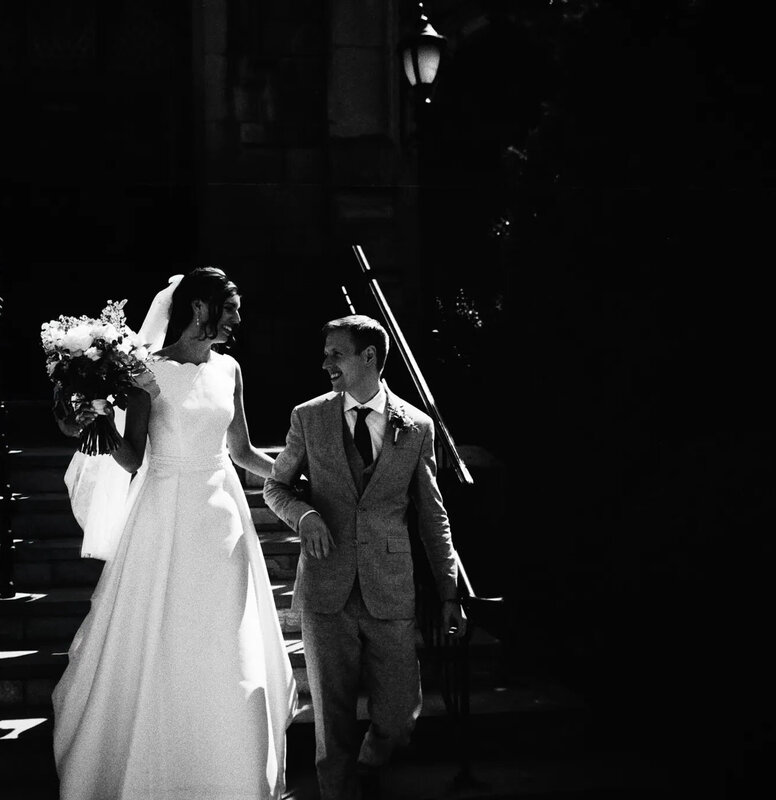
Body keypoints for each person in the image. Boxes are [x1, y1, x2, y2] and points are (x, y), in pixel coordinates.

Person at [51, 268, 297, 800]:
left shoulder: (229, 369)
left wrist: (299, 475)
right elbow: (134, 456)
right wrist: (98, 426)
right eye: (229, 307)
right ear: (201, 309)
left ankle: (232, 766)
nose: (237, 318)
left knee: (225, 635)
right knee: (164, 631)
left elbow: (242, 450)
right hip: (165, 510)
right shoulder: (149, 373)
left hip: (223, 516)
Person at [263, 314, 467, 800]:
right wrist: (305, 517)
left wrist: (449, 590)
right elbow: (277, 486)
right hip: (325, 588)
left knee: (399, 712)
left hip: (390, 584)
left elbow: (432, 516)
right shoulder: (308, 416)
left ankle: (374, 756)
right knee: (332, 719)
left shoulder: (416, 426)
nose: (325, 363)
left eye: (336, 353)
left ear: (368, 357)